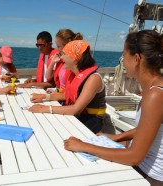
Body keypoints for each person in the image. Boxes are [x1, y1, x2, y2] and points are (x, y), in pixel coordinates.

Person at [64, 30, 163, 185]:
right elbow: (147, 127)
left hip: (150, 175)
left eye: (124, 55)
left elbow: (134, 156)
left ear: (137, 58)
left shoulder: (155, 95)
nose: (122, 61)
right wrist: (118, 137)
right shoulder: (155, 89)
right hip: (145, 166)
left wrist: (84, 146)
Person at [29, 40, 106, 134]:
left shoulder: (93, 78)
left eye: (64, 54)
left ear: (74, 58)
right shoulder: (77, 74)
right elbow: (67, 95)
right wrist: (44, 97)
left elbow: (76, 109)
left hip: (93, 119)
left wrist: (44, 108)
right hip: (80, 115)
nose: (61, 57)